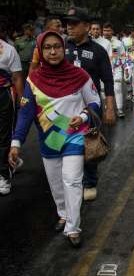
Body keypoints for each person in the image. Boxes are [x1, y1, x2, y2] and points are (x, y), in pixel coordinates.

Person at [8, 31, 101, 247]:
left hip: (75, 137)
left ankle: (73, 227)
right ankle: (63, 213)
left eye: (57, 47)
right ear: (40, 51)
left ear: (63, 49)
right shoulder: (33, 80)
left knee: (72, 180)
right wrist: (16, 143)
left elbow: (95, 102)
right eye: (48, 47)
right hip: (49, 141)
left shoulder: (79, 75)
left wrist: (85, 116)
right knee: (57, 184)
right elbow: (25, 114)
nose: (53, 51)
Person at [64, 6, 116, 201]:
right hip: (64, 105)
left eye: (74, 23)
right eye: (68, 23)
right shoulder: (61, 47)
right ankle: (70, 180)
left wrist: (109, 107)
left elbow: (108, 81)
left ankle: (90, 182)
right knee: (65, 143)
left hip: (90, 107)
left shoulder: (98, 51)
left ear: (86, 26)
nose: (69, 27)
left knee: (89, 144)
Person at [0, 24, 23, 195]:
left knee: (3, 136)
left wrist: (23, 100)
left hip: (4, 97)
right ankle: (12, 160)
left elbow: (16, 77)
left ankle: (4, 176)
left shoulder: (9, 50)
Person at [102, 22, 127, 118]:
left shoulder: (118, 43)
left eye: (109, 30)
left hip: (117, 69)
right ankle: (107, 108)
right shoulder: (98, 42)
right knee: (103, 90)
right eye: (105, 30)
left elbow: (123, 56)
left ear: (112, 31)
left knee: (117, 88)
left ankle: (120, 109)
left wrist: (126, 69)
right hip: (103, 70)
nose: (107, 32)